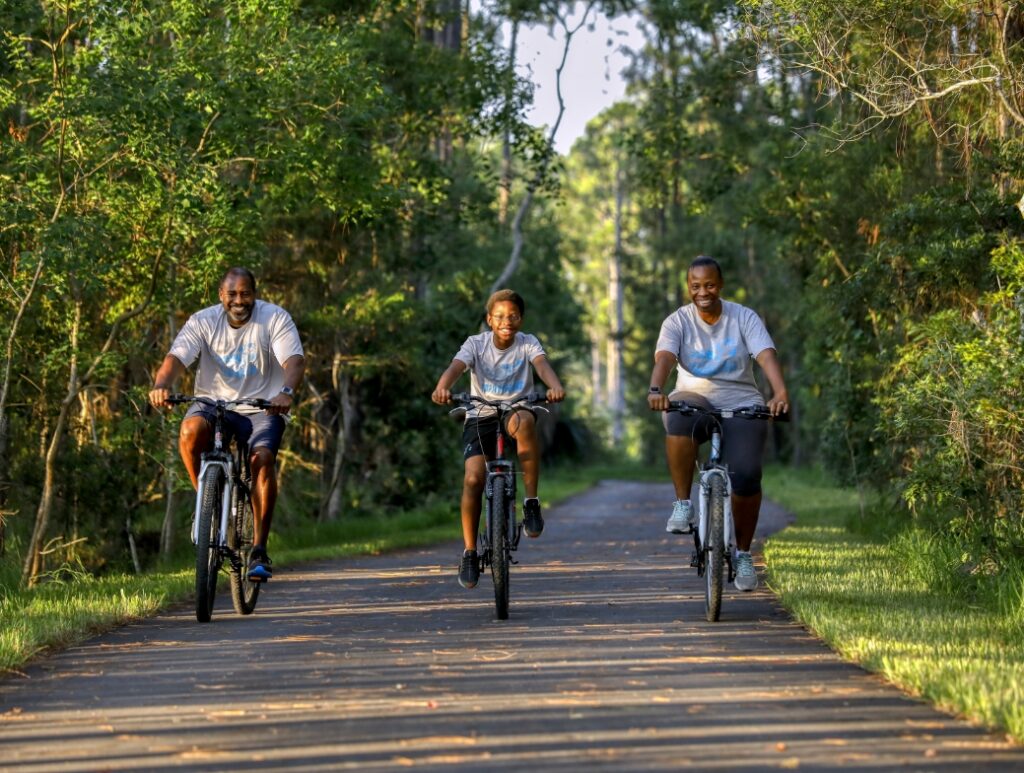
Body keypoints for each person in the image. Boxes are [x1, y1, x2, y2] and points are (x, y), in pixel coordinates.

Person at [148, 267, 305, 582]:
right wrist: (161, 384)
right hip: (214, 404)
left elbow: (294, 361)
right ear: (221, 296)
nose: (239, 300)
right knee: (190, 431)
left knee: (262, 460)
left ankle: (259, 549)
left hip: (263, 407)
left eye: (245, 293)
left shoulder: (274, 318)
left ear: (254, 294)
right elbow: (175, 359)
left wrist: (286, 393)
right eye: (232, 294)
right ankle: (207, 500)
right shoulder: (204, 321)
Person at [646, 255, 789, 591]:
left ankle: (742, 553)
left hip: (742, 400)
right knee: (679, 416)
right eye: (695, 286)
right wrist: (656, 388)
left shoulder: (743, 317)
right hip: (694, 396)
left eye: (709, 284)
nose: (703, 291)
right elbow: (665, 357)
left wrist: (779, 390)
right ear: (688, 288)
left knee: (748, 474)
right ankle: (683, 505)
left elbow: (765, 354)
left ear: (720, 285)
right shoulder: (677, 321)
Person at [431, 289, 566, 589]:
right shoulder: (475, 344)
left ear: (521, 319)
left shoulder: (527, 342)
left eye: (514, 316)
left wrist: (554, 386)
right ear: (489, 319)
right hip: (480, 414)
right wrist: (442, 387)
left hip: (516, 409)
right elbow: (455, 368)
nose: (508, 322)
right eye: (501, 317)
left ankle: (531, 502)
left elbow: (542, 365)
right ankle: (469, 552)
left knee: (525, 421)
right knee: (473, 480)